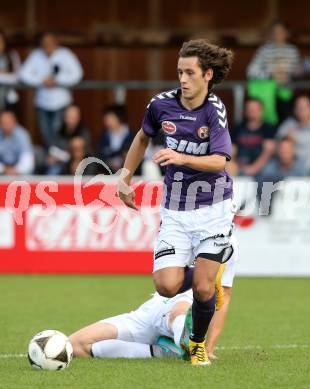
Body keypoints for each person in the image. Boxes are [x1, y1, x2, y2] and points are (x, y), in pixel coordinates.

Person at [118, 39, 235, 365]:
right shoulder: (160, 105)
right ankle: (207, 275)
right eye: (179, 72)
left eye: (190, 73)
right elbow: (142, 137)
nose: (183, 79)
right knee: (166, 286)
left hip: (214, 209)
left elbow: (220, 161)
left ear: (207, 74)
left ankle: (196, 345)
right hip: (176, 210)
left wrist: (180, 156)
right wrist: (125, 176)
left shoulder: (214, 110)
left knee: (202, 289)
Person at [69, 235, 238, 361]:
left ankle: (187, 339)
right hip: (149, 311)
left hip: (185, 304)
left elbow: (225, 297)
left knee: (179, 310)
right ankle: (162, 351)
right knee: (74, 345)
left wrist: (208, 348)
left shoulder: (226, 242)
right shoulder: (173, 225)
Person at [19, 32, 83, 148]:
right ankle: (51, 159)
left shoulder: (65, 54)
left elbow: (77, 74)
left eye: (50, 43)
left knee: (58, 133)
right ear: (41, 44)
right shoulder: (36, 55)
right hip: (42, 103)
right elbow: (23, 74)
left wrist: (57, 80)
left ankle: (60, 159)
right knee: (45, 134)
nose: (47, 45)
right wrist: (41, 80)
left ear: (55, 42)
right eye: (44, 43)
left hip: (61, 102)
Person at [247, 21, 302, 124]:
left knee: (286, 122)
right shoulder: (264, 50)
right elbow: (251, 71)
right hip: (267, 96)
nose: (278, 34)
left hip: (287, 93)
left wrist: (288, 74)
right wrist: (271, 75)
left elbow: (299, 71)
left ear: (287, 33)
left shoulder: (292, 50)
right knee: (269, 122)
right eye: (275, 32)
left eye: (281, 31)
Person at [276, 95, 310, 174]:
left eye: (305, 107)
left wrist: (305, 169)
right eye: (298, 107)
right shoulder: (287, 126)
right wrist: (288, 139)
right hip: (293, 171)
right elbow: (278, 148)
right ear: (294, 110)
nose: (301, 110)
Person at [232, 98, 276, 177]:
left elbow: (268, 152)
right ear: (245, 111)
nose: (251, 111)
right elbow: (231, 151)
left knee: (270, 169)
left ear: (261, 111)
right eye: (249, 109)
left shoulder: (268, 128)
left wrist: (253, 168)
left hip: (261, 166)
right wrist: (236, 165)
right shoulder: (237, 128)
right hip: (240, 165)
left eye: (254, 109)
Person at [46, 104, 91, 175]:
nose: (70, 120)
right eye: (68, 117)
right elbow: (51, 148)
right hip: (59, 165)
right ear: (64, 118)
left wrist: (68, 157)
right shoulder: (58, 132)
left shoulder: (84, 134)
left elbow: (85, 153)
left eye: (73, 117)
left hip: (78, 164)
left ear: (79, 118)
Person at [97, 105, 134, 173]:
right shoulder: (104, 136)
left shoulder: (131, 135)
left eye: (109, 118)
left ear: (118, 118)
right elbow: (100, 154)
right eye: (105, 119)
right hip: (107, 171)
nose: (106, 121)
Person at [0, 110, 34, 175]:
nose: (6, 126)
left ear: (15, 122)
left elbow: (27, 159)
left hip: (19, 172)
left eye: (9, 123)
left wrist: (16, 170)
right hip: (2, 171)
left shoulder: (22, 134)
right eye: (3, 123)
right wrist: (4, 169)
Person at [0, 30, 20, 112]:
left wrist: (3, 75)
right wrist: (4, 73)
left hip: (9, 99)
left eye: (0, 41)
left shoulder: (12, 55)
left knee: (7, 123)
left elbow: (18, 77)